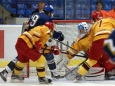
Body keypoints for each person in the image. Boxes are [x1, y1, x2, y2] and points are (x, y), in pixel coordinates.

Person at [0, 5, 64, 82]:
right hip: (33, 40)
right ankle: (47, 76)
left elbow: (29, 27)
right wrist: (58, 36)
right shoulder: (47, 19)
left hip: (27, 36)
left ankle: (8, 72)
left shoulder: (35, 14)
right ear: (49, 12)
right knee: (43, 57)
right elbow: (49, 31)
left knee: (22, 58)